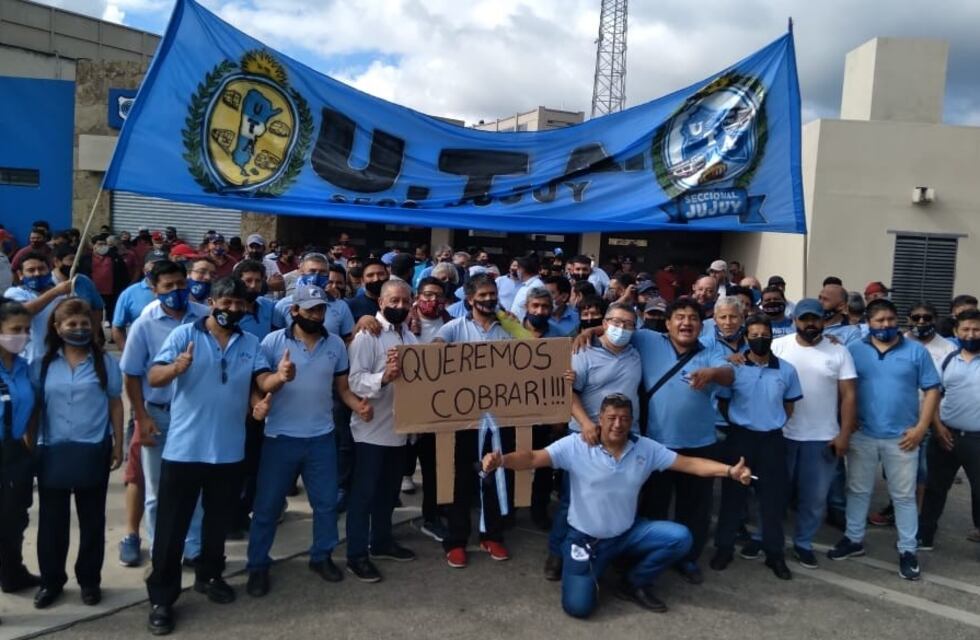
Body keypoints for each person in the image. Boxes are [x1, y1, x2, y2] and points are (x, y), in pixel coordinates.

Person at [483, 394, 752, 618]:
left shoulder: (645, 448)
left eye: (624, 418)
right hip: (585, 540)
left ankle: (633, 583)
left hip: (627, 533)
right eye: (611, 418)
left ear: (631, 421)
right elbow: (532, 458)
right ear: (600, 419)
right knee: (578, 608)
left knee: (680, 538)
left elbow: (689, 463)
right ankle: (590, 567)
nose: (617, 424)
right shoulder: (576, 446)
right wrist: (501, 461)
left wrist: (729, 471)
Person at [144, 277, 287, 635]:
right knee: (171, 528)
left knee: (216, 523)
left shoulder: (249, 342)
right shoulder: (184, 335)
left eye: (239, 304)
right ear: (211, 302)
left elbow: (262, 381)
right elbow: (155, 376)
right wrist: (175, 368)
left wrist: (280, 378)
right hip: (184, 450)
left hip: (228, 451)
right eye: (226, 302)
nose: (232, 309)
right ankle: (162, 598)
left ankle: (209, 576)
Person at [245, 285, 371, 596]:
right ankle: (258, 565)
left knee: (326, 504)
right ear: (294, 310)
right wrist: (271, 388)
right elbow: (259, 385)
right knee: (267, 507)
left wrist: (358, 406)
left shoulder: (335, 345)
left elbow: (342, 389)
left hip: (321, 437)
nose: (316, 315)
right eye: (310, 309)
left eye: (321, 309)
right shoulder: (273, 342)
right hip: (280, 438)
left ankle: (321, 555)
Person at [828, 299, 941, 581]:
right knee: (857, 490)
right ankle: (853, 539)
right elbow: (842, 387)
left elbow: (932, 390)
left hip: (903, 438)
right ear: (868, 322)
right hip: (863, 435)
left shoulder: (916, 351)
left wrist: (921, 427)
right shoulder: (854, 350)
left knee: (903, 496)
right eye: (879, 320)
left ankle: (908, 550)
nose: (886, 325)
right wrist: (846, 421)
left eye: (890, 319)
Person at [632, 297, 734, 584]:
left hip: (700, 445)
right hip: (656, 444)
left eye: (693, 318)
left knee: (695, 509)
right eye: (679, 317)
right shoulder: (648, 340)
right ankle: (648, 555)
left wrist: (712, 372)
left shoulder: (711, 351)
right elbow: (618, 328)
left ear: (702, 326)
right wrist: (591, 331)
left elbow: (728, 375)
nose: (686, 323)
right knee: (653, 505)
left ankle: (687, 558)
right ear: (667, 323)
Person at [32, 298, 124, 608]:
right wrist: (31, 447)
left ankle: (89, 581)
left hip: (93, 448)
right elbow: (35, 409)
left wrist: (118, 443)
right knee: (52, 522)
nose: (79, 329)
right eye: (71, 324)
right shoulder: (42, 364)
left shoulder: (105, 363)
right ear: (58, 328)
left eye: (85, 323)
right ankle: (51, 581)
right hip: (53, 450)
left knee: (92, 520)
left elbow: (115, 403)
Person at [543, 303, 643, 580]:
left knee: (620, 496)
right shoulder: (583, 352)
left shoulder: (636, 352)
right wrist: (587, 423)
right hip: (586, 436)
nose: (621, 329)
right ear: (605, 323)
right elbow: (569, 392)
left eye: (628, 324)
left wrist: (591, 328)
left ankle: (611, 552)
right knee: (572, 500)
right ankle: (557, 553)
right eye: (615, 322)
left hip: (625, 437)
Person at [119, 260, 208, 570]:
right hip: (159, 416)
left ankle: (193, 547)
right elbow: (131, 374)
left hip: (195, 416)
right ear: (155, 289)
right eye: (168, 286)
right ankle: (161, 550)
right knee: (157, 489)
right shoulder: (145, 323)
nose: (176, 291)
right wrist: (141, 417)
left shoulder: (205, 317)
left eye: (181, 284)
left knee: (194, 487)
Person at [711, 314, 802, 580]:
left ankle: (774, 554)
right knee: (732, 498)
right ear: (746, 337)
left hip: (771, 440)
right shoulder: (735, 368)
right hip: (741, 438)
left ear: (771, 336)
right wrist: (741, 422)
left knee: (772, 500)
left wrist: (771, 422)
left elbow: (789, 405)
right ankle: (724, 548)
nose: (759, 339)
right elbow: (724, 401)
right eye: (754, 335)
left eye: (764, 335)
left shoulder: (786, 370)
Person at [433, 274, 514, 567]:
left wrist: (516, 325)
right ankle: (456, 540)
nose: (490, 299)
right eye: (483, 295)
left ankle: (492, 535)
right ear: (469, 300)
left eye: (493, 294)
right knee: (462, 480)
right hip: (464, 420)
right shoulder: (453, 328)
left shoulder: (507, 329)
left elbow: (533, 353)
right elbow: (433, 355)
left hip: (499, 418)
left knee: (496, 476)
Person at [770, 299, 857, 568]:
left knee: (814, 498)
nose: (810, 324)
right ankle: (766, 538)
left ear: (823, 321)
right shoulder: (778, 346)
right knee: (773, 493)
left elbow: (849, 395)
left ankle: (803, 543)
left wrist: (844, 434)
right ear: (794, 320)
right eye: (804, 319)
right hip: (781, 434)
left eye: (815, 319)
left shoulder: (838, 350)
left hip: (822, 437)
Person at [345, 280, 418, 582]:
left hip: (400, 430)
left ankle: (382, 541)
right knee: (364, 495)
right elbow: (354, 381)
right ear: (381, 303)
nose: (400, 306)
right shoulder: (367, 335)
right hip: (371, 431)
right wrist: (384, 378)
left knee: (388, 493)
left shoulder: (410, 336)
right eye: (394, 301)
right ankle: (356, 554)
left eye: (405, 301)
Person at [869, 302, 957, 526]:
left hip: (928, 421)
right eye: (916, 317)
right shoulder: (898, 341)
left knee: (921, 473)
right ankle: (896, 508)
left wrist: (936, 424)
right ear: (907, 319)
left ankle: (917, 519)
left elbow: (940, 390)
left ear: (935, 319)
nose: (921, 322)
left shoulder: (947, 348)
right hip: (898, 420)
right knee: (893, 472)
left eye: (927, 318)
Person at [918, 309, 980, 550]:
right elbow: (934, 396)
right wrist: (938, 426)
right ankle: (924, 536)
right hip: (945, 436)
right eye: (966, 329)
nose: (971, 334)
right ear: (956, 331)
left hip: (977, 440)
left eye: (976, 329)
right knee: (934, 488)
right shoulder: (947, 360)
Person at [0, 299, 40, 595]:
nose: (22, 336)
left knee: (16, 517)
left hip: (15, 452)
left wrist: (29, 446)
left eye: (27, 330)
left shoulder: (24, 367)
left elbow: (31, 409)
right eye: (15, 329)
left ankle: (12, 572)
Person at [4, 252, 71, 362]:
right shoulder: (14, 293)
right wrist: (55, 292)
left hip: (58, 359)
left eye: (41, 269)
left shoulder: (63, 294)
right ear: (20, 274)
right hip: (27, 360)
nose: (37, 273)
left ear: (50, 271)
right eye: (31, 270)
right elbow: (23, 313)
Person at [272, 255, 354, 339]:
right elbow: (276, 338)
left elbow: (348, 339)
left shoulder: (341, 306)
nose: (316, 276)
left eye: (322, 272)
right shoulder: (283, 305)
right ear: (301, 272)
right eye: (312, 271)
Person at [111, 255, 164, 350]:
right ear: (144, 270)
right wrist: (127, 352)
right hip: (142, 349)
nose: (157, 270)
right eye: (153, 266)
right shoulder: (130, 293)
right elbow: (117, 327)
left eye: (161, 266)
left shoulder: (176, 289)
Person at [509, 255, 543, 321]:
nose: (517, 271)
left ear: (522, 270)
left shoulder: (536, 286)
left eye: (518, 268)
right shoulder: (525, 285)